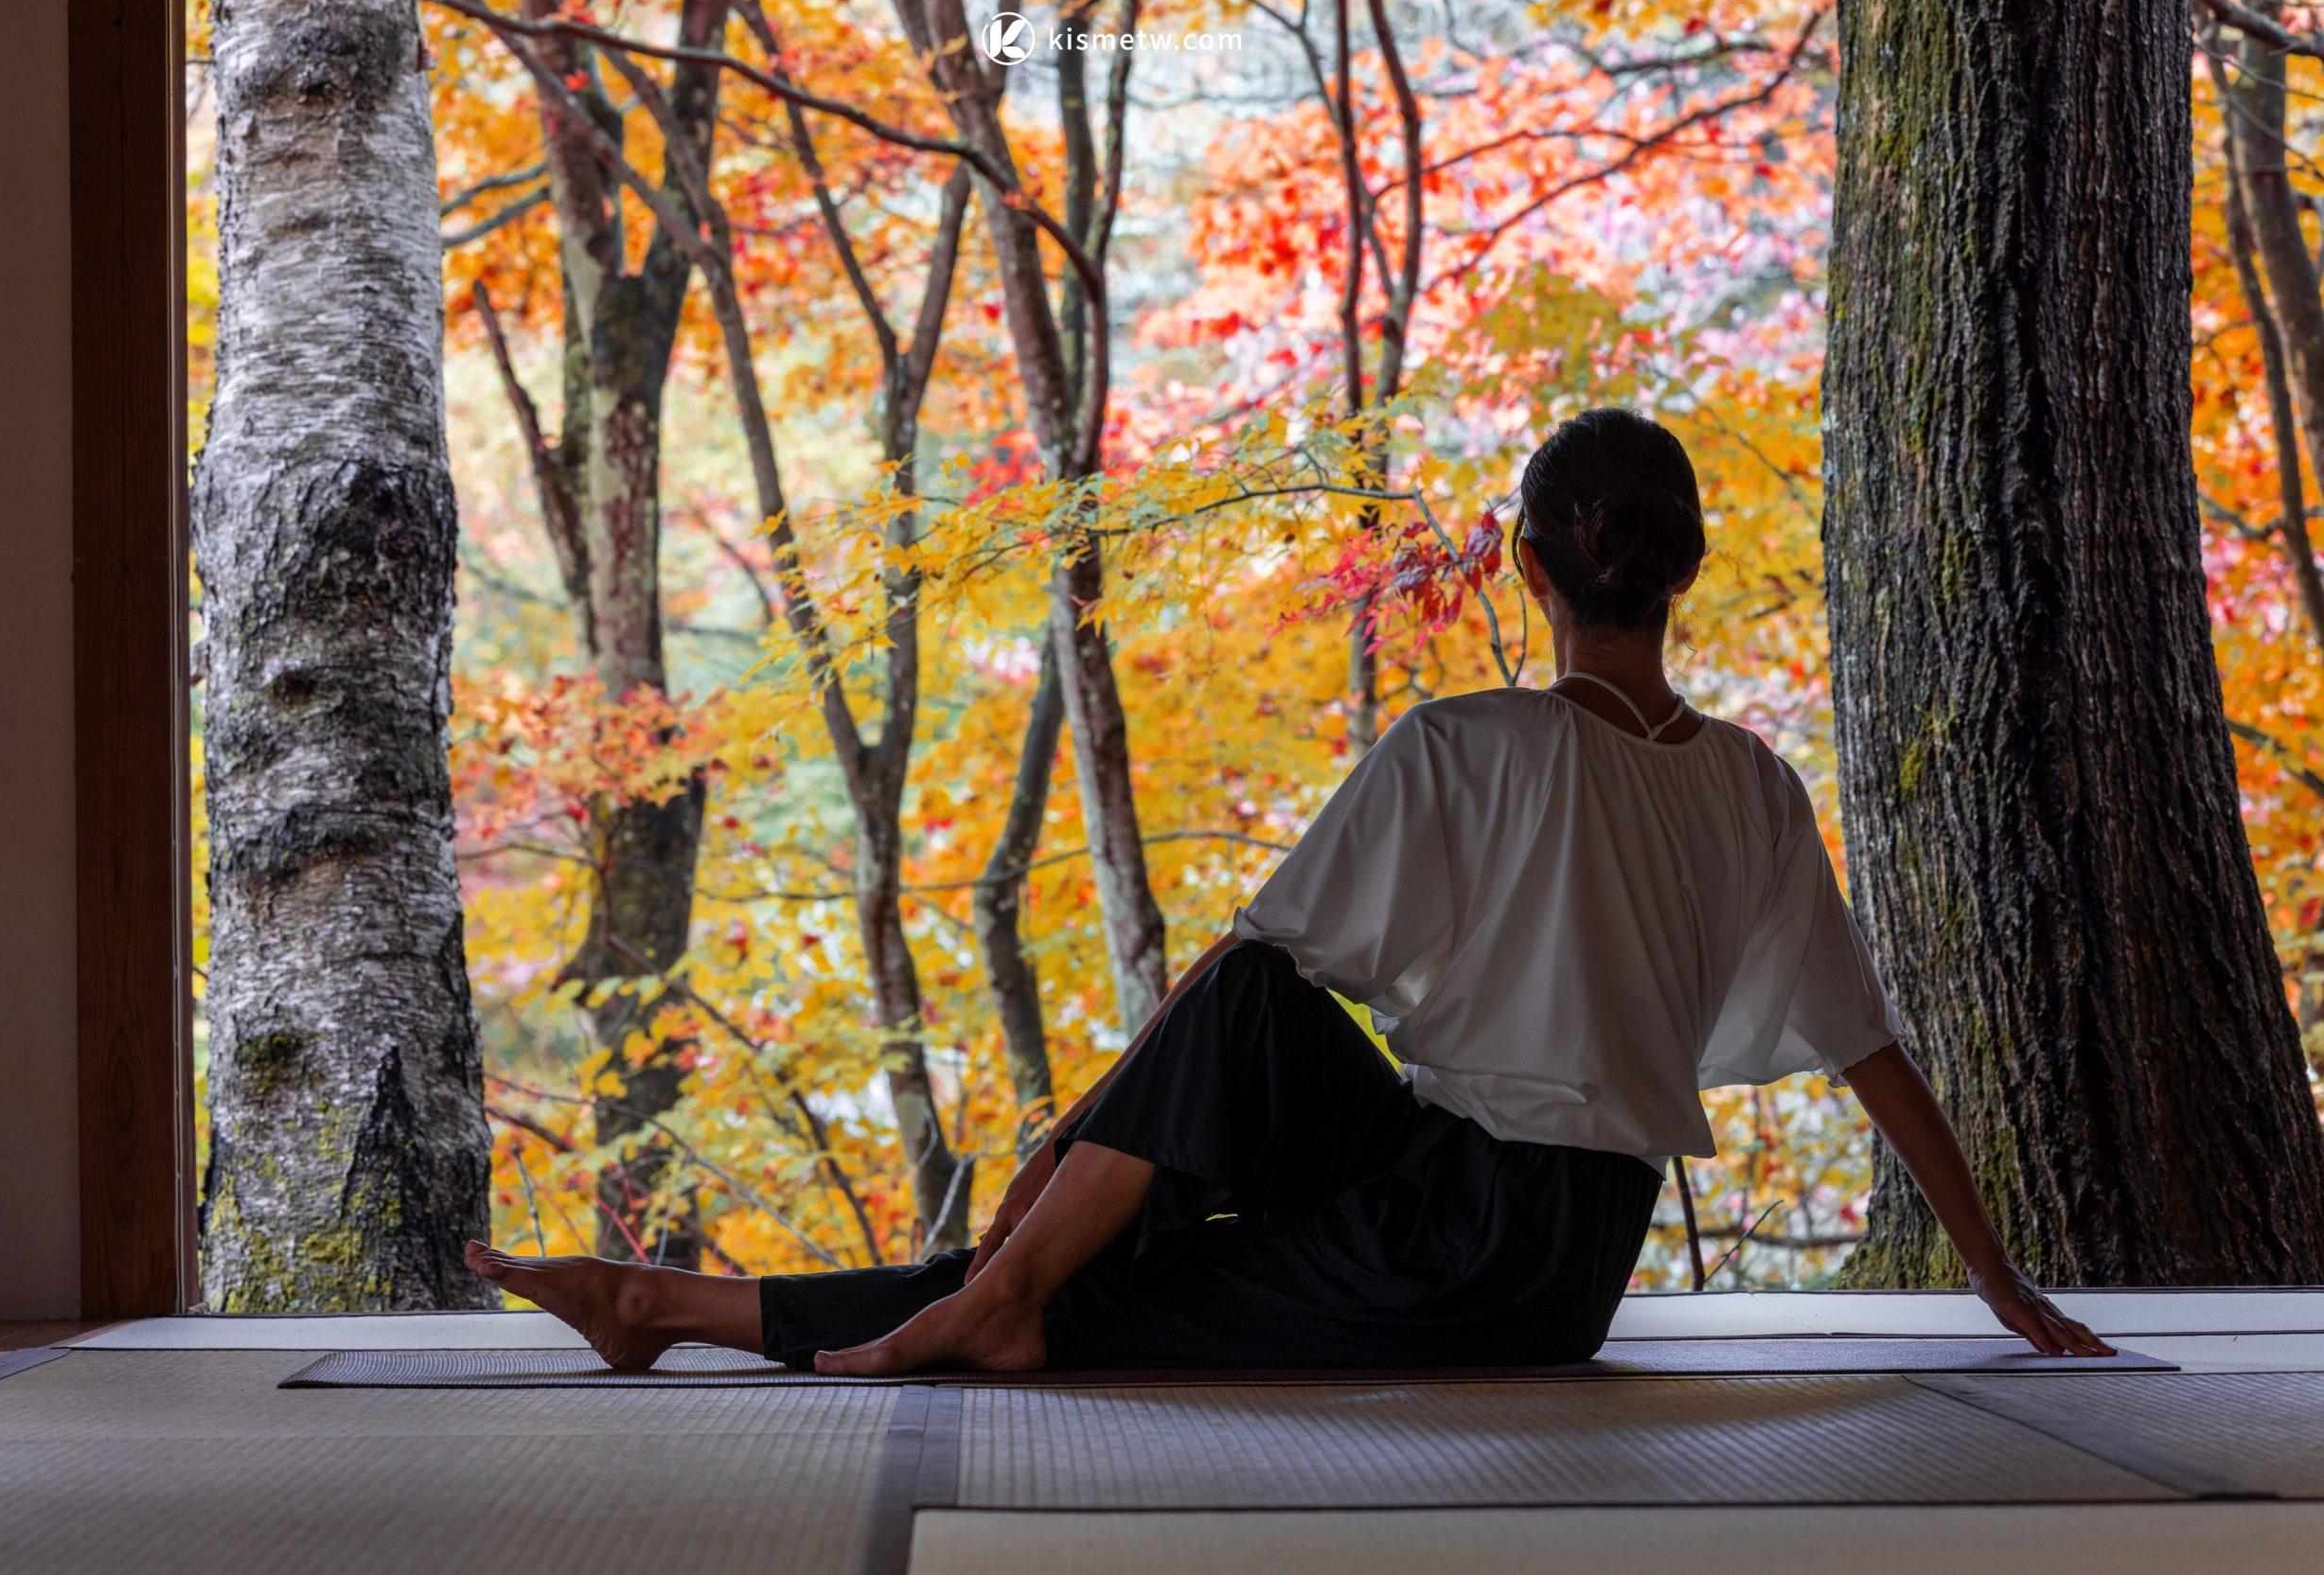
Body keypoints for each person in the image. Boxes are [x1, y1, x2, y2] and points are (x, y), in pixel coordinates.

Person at [467, 406, 2113, 1372]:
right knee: (1187, 1092)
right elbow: (1868, 1048)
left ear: (1526, 568)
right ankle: (670, 1303)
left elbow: (1249, 972)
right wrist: (1996, 1277)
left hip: (1469, 1246)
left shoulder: (1469, 745)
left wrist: (1064, 1147)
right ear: (1682, 569)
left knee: (1094, 1239)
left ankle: (938, 1293)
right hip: (1560, 1241)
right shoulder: (1748, 778)